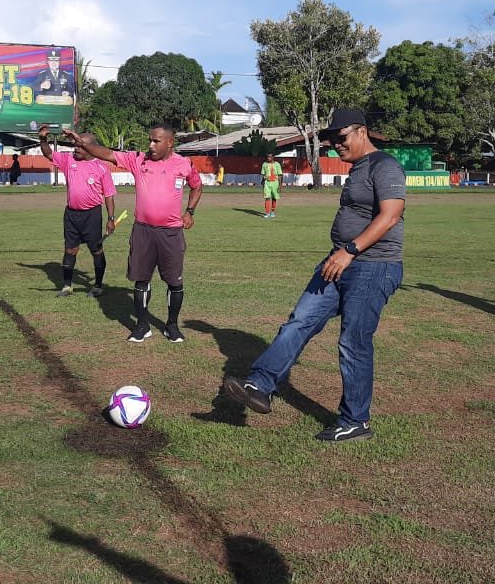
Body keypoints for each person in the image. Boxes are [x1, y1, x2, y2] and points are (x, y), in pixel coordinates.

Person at [222, 109, 406, 442]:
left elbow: (391, 215)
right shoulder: (359, 169)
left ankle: (355, 421)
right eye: (331, 140)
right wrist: (343, 253)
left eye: (341, 138)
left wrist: (350, 251)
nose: (336, 146)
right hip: (339, 261)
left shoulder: (385, 166)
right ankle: (259, 386)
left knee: (353, 342)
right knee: (299, 321)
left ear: (361, 131)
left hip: (373, 265)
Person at [64, 123, 202, 343]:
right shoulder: (139, 159)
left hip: (171, 234)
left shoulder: (184, 164)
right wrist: (81, 142)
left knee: (175, 282)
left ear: (170, 142)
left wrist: (190, 211)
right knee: (141, 280)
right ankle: (141, 325)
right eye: (150, 140)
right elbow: (107, 154)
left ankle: (172, 326)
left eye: (156, 141)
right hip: (143, 232)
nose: (151, 145)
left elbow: (197, 185)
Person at [40, 125, 117, 297]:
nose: (75, 148)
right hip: (72, 215)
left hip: (92, 215)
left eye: (80, 145)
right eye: (75, 145)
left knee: (96, 250)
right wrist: (43, 139)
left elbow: (109, 195)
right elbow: (48, 154)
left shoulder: (102, 167)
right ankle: (67, 286)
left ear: (90, 148)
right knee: (70, 250)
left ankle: (97, 286)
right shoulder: (68, 160)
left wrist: (111, 218)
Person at [261, 152, 282, 218]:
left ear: (273, 157)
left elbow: (280, 175)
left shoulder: (277, 164)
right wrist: (263, 182)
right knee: (267, 198)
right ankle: (267, 213)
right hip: (267, 182)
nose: (268, 158)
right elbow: (263, 174)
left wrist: (280, 185)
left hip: (275, 183)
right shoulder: (264, 164)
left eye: (270, 157)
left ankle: (272, 212)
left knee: (274, 198)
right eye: (267, 157)